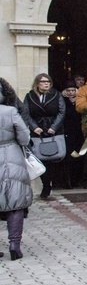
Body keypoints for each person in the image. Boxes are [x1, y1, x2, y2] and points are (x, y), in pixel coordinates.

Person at [0, 78, 33, 260]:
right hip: (11, 154)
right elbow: (24, 137)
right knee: (15, 202)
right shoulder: (11, 111)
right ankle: (14, 244)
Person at [24, 73, 65, 200]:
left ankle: (48, 185)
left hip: (53, 130)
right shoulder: (29, 96)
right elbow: (25, 113)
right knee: (39, 158)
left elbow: (61, 111)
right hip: (37, 131)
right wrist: (34, 127)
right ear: (37, 83)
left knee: (52, 158)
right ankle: (45, 184)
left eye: (48, 82)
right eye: (43, 81)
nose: (46, 84)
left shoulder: (56, 95)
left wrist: (54, 127)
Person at [61, 79, 84, 188]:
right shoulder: (63, 101)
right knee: (68, 157)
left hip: (79, 132)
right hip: (67, 132)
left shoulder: (80, 100)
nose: (71, 92)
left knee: (79, 156)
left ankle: (77, 179)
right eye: (68, 90)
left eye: (73, 90)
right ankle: (68, 181)